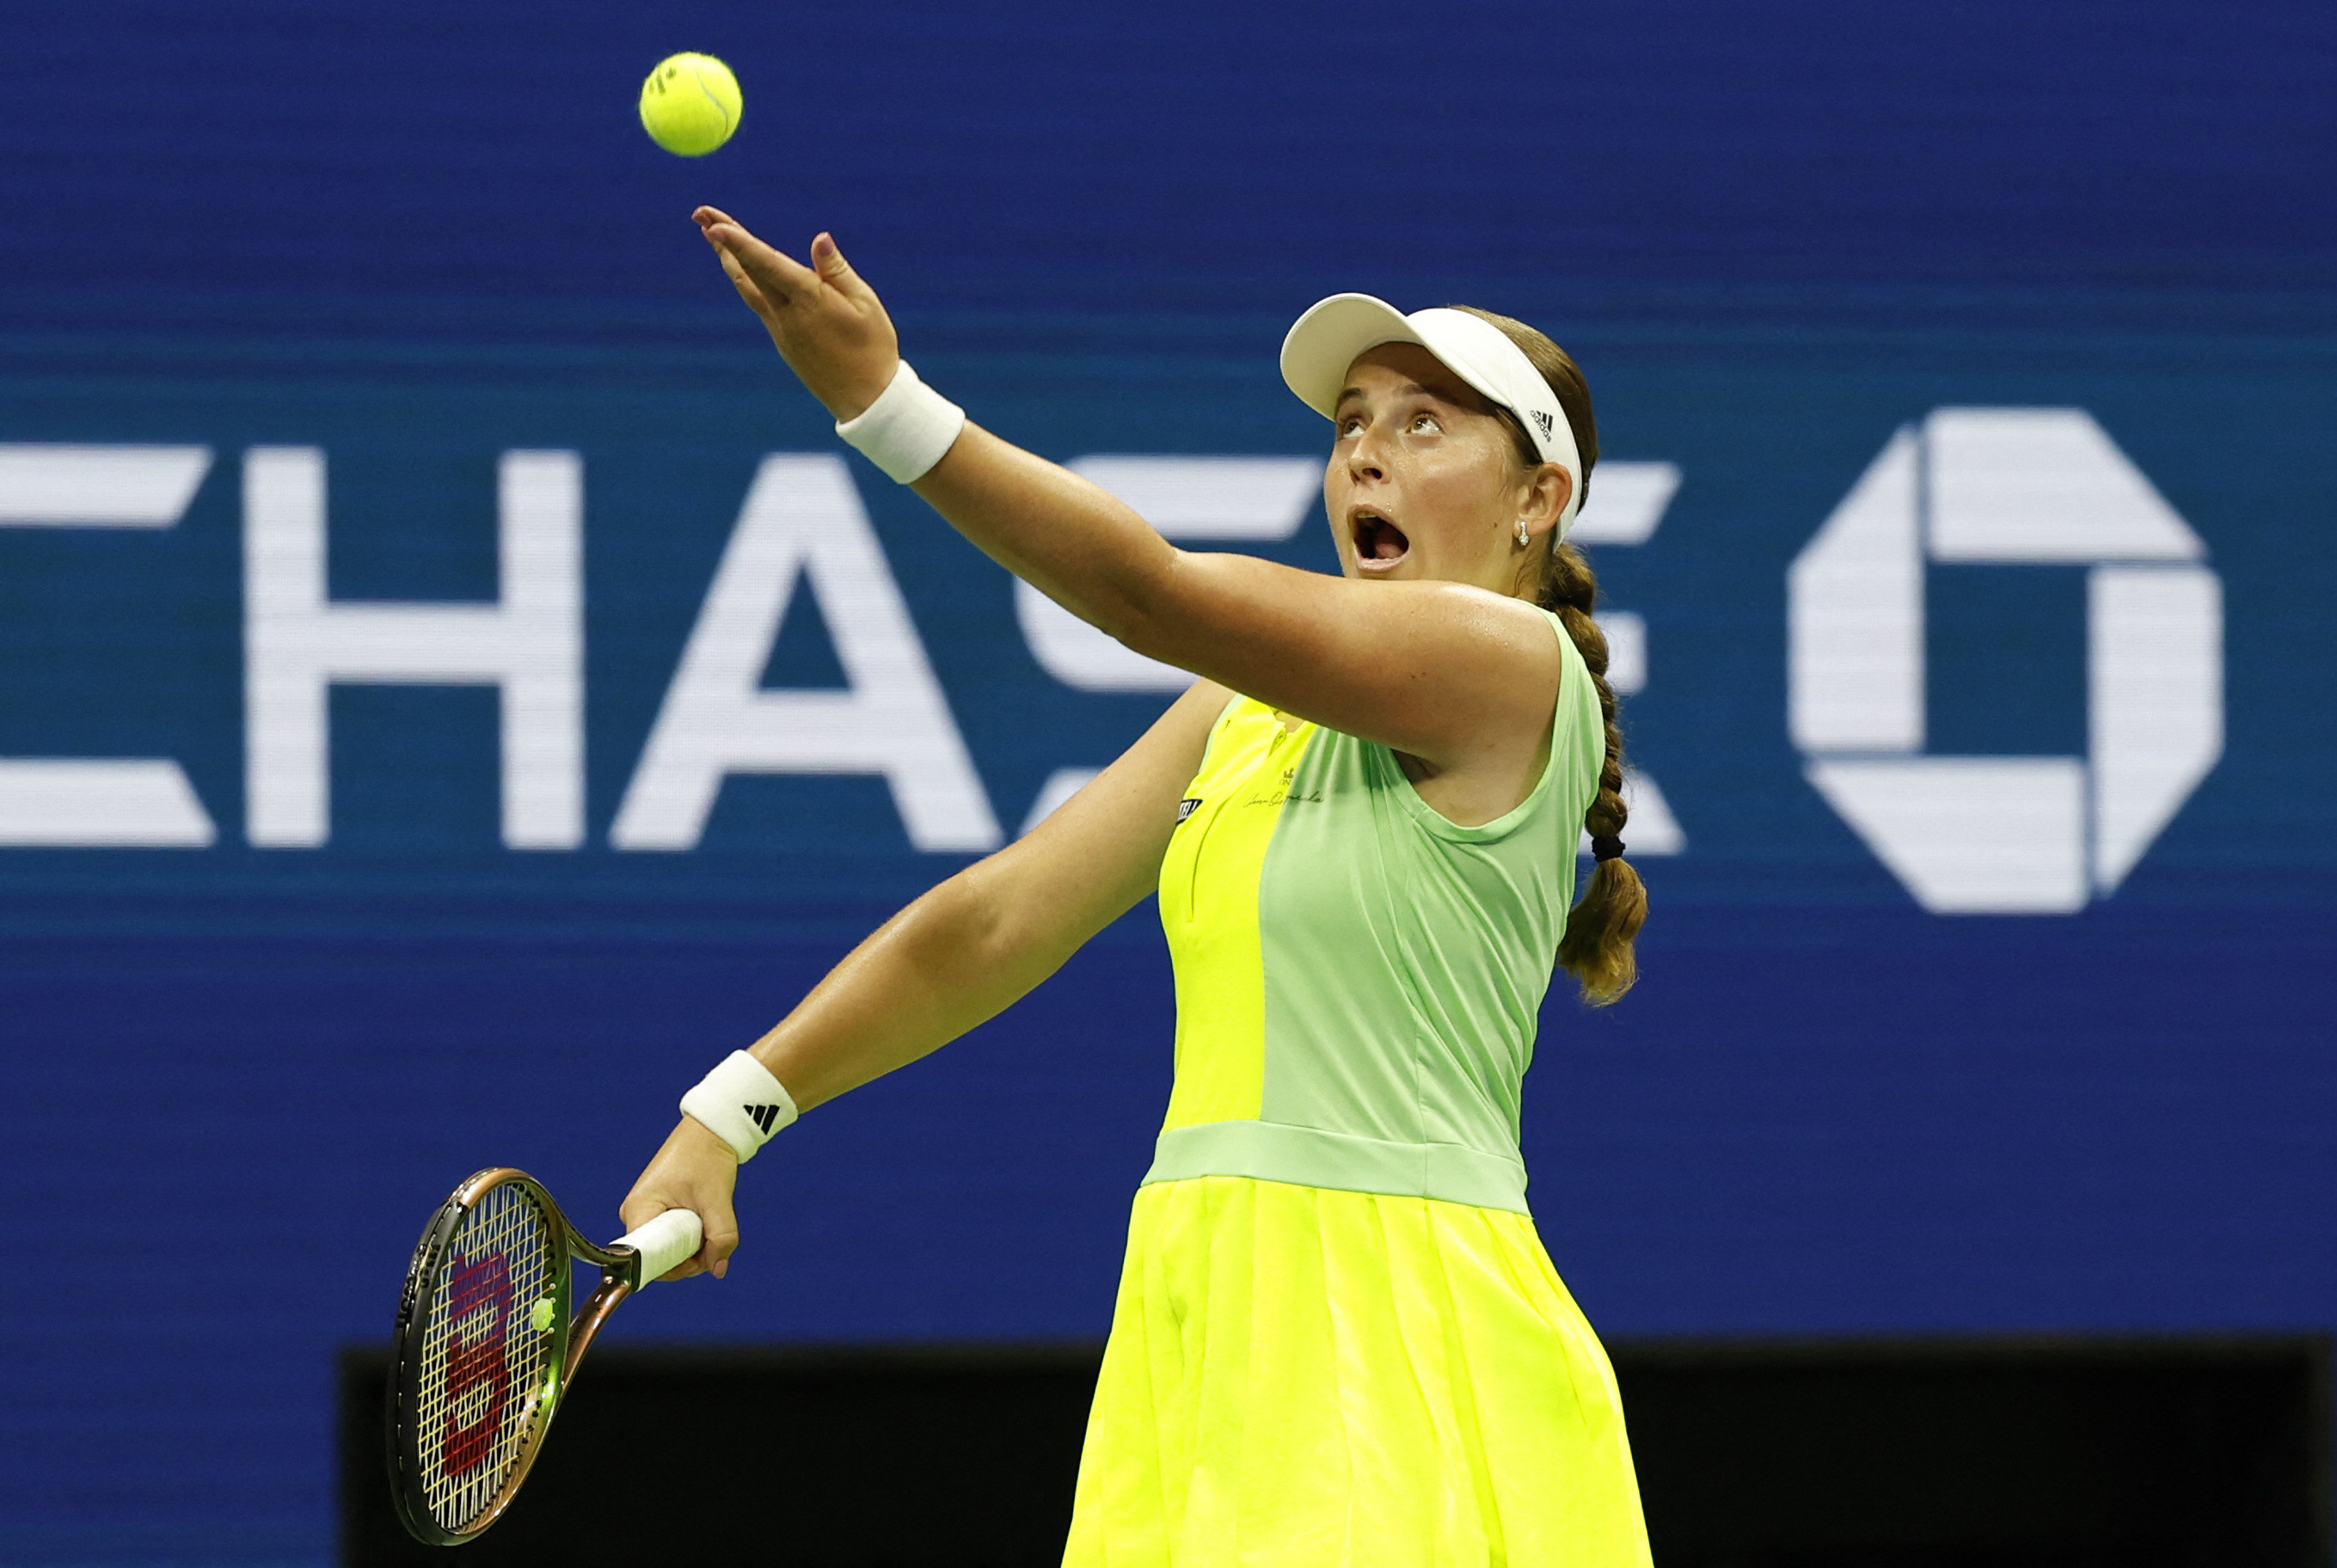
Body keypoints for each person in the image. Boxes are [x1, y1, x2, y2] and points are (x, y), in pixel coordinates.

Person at [621, 208, 1654, 1566]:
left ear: (1539, 502)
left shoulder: (1514, 669)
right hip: (1205, 1331)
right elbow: (1000, 920)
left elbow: (1150, 592)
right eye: (1352, 420)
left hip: (1396, 1330)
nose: (1364, 450)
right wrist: (737, 1108)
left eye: (1425, 424)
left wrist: (885, 404)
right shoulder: (1244, 715)